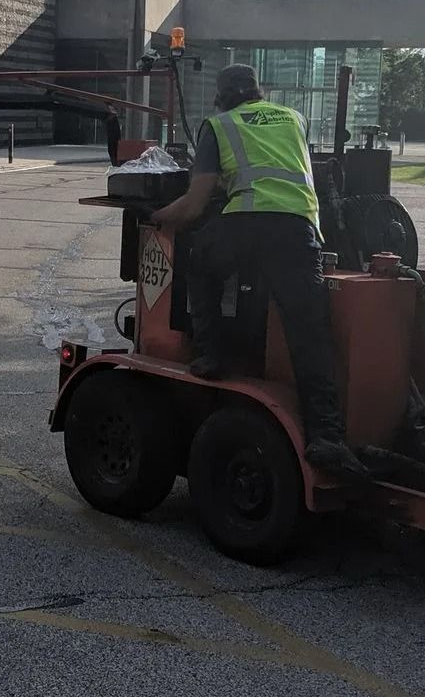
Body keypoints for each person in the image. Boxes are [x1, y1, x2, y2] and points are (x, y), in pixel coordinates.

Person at [150, 66, 368, 482]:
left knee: (200, 263)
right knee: (308, 330)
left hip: (245, 222)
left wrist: (159, 216)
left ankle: (211, 355)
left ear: (220, 97)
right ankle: (326, 438)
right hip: (297, 227)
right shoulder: (294, 118)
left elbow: (196, 205)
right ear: (258, 92)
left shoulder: (218, 125)